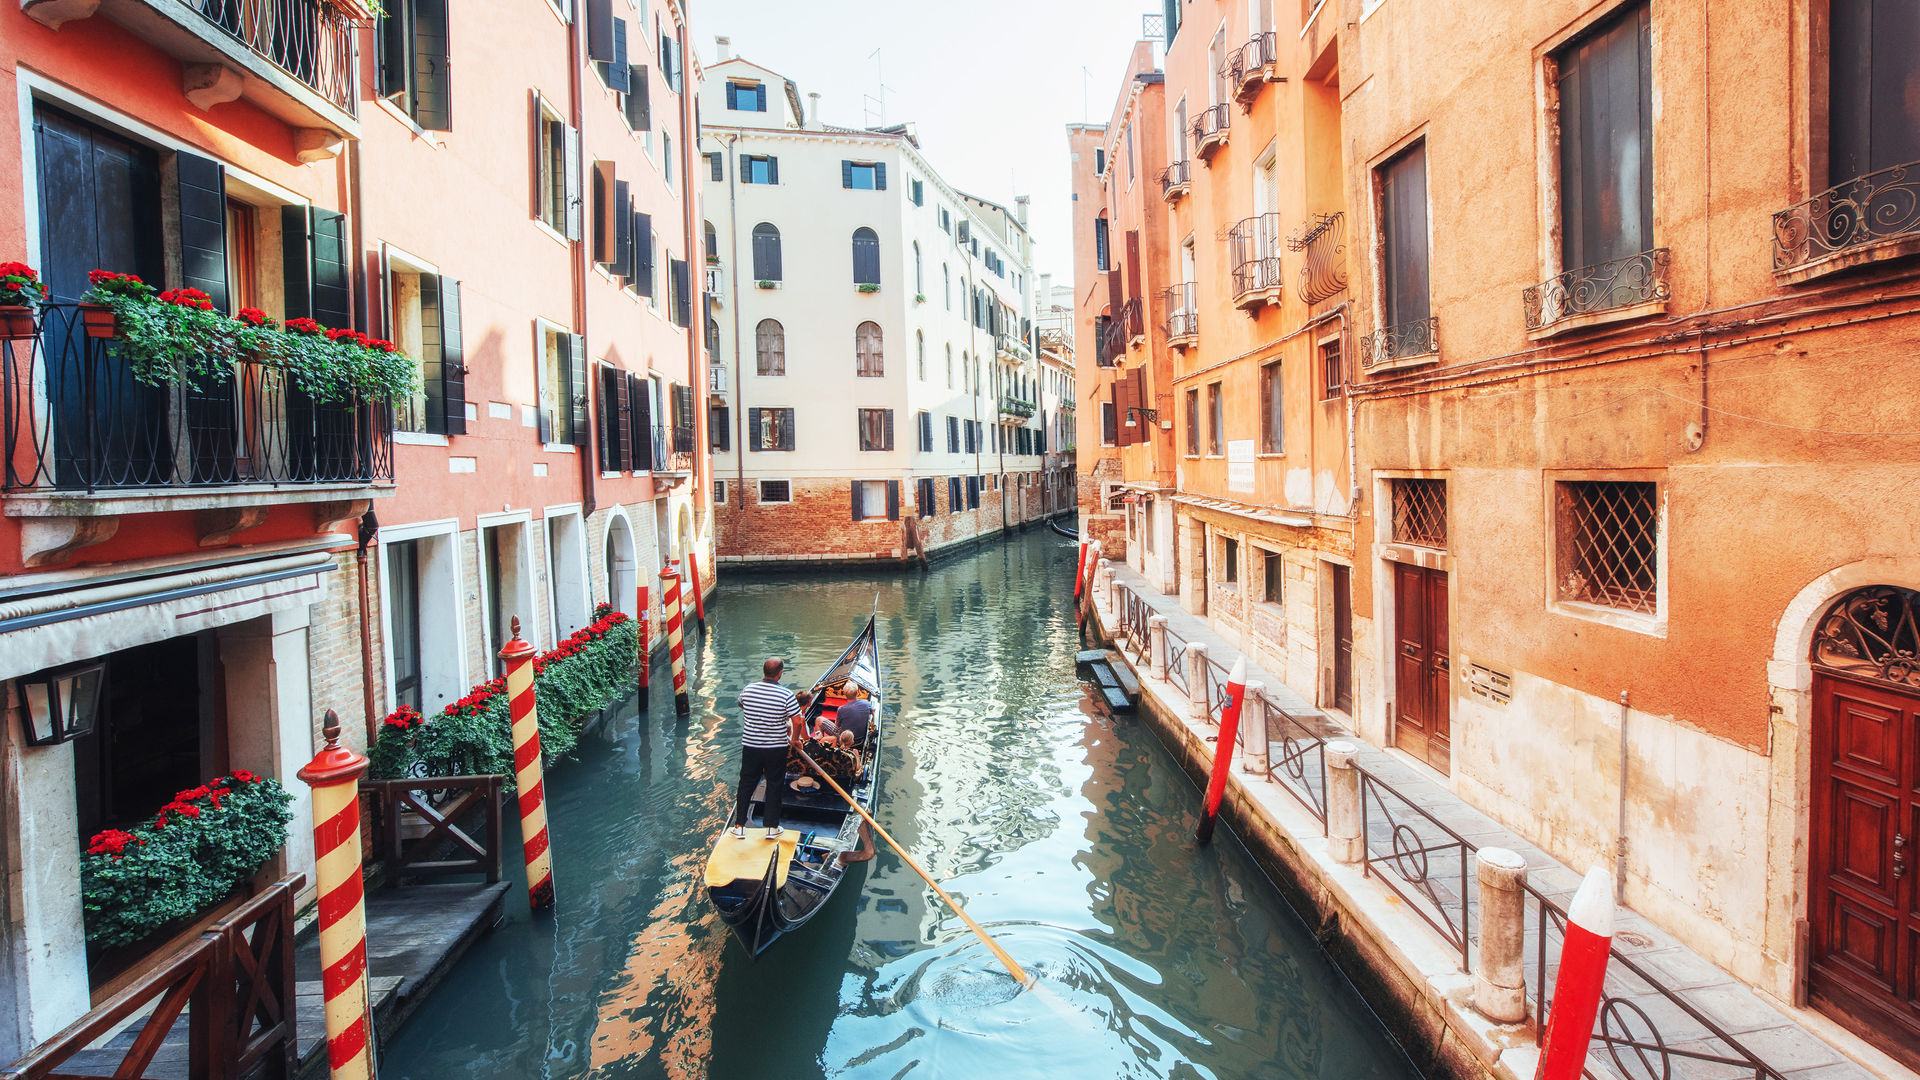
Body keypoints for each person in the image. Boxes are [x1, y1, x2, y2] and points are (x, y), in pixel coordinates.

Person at [734, 657, 804, 840]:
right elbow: (798, 721)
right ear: (780, 673)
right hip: (775, 749)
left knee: (746, 784)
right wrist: (795, 740)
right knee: (774, 784)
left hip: (751, 746)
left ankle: (739, 826)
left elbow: (741, 704)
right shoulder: (786, 695)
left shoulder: (748, 689)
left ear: (763, 671)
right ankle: (772, 828)